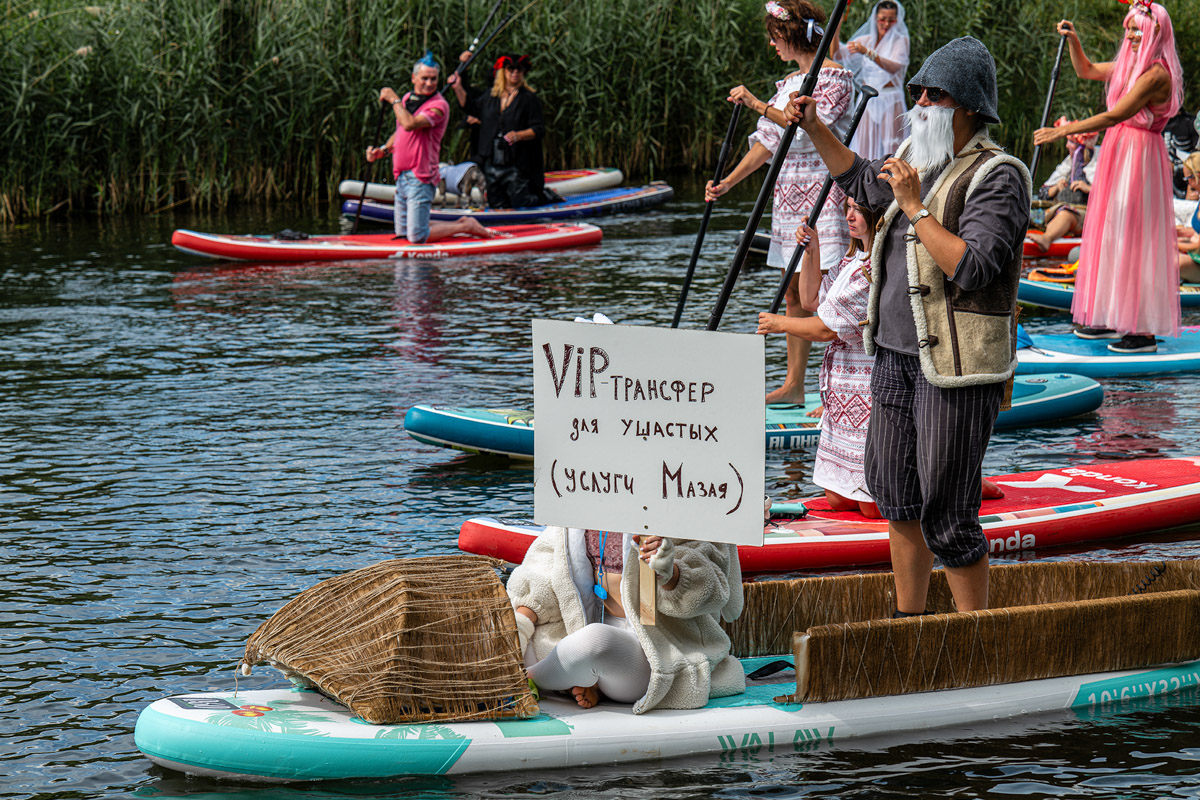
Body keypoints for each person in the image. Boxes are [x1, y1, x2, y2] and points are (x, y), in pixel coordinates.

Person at [787, 36, 1031, 615]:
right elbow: (861, 180)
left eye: (935, 94)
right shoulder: (916, 158)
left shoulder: (1000, 176)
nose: (920, 101)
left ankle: (977, 637)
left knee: (948, 512)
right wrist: (816, 126)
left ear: (968, 105)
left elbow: (971, 267)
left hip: (956, 367)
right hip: (893, 357)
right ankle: (910, 621)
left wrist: (916, 207)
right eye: (918, 90)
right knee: (896, 498)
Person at [706, 0, 854, 405]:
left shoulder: (838, 79)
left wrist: (756, 104)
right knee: (792, 293)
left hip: (823, 194)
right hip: (788, 195)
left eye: (774, 37)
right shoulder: (789, 83)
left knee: (824, 297)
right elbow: (768, 143)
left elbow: (804, 131)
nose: (772, 45)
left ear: (789, 35)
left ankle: (836, 389)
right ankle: (794, 385)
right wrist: (726, 183)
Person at [1033, 4, 1184, 354]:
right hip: (1120, 153)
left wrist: (1063, 131)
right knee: (1110, 231)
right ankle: (1108, 314)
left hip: (1140, 158)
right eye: (1128, 29)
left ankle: (1143, 329)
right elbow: (1085, 70)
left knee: (1135, 235)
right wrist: (1074, 41)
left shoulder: (1156, 75)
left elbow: (1116, 113)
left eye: (1138, 30)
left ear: (1157, 34)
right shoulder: (1130, 66)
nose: (1130, 36)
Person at [507, 528, 744, 712]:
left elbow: (713, 590)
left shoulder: (682, 495)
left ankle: (518, 682)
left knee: (594, 643)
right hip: (575, 634)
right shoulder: (581, 493)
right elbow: (543, 570)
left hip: (651, 651)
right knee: (512, 635)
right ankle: (576, 679)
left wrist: (671, 572)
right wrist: (520, 626)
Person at [757, 202, 880, 517]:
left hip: (866, 387)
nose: (848, 216)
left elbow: (826, 329)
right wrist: (813, 252)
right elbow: (812, 300)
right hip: (840, 393)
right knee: (838, 500)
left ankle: (962, 485)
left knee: (871, 507)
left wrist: (779, 323)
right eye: (848, 208)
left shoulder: (876, 269)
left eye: (858, 210)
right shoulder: (850, 262)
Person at [366, 53, 498, 242]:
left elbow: (410, 123)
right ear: (414, 78)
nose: (429, 83)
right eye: (424, 78)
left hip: (420, 176)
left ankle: (466, 226)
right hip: (401, 175)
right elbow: (400, 131)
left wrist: (393, 99)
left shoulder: (439, 106)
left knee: (416, 236)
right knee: (403, 233)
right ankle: (458, 224)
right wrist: (383, 150)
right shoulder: (407, 100)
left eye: (433, 79)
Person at [446, 53, 559, 209]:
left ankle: (546, 196)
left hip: (517, 163)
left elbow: (538, 129)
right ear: (503, 72)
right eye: (510, 69)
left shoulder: (528, 98)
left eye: (519, 70)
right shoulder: (490, 97)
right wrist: (457, 87)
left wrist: (518, 135)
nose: (515, 73)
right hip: (493, 162)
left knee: (521, 202)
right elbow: (470, 107)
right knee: (497, 203)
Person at [843, 0, 911, 160]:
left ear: (897, 20)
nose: (886, 24)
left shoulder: (900, 41)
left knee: (892, 147)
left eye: (891, 20)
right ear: (875, 18)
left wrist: (868, 53)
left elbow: (895, 67)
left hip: (890, 98)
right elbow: (839, 55)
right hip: (868, 99)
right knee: (863, 145)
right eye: (882, 19)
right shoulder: (866, 39)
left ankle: (891, 182)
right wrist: (836, 26)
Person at [1027, 118, 1100, 254]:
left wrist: (1089, 189)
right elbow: (1043, 193)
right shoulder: (1067, 165)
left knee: (1066, 213)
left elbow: (1112, 197)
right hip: (1055, 211)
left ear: (1081, 147)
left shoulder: (1098, 164)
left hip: (1084, 216)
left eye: (1071, 142)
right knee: (1025, 212)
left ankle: (1046, 239)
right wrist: (1054, 189)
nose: (1067, 146)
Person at [1178, 152, 1200, 284]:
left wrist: (1174, 244)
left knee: (1173, 261)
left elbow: (1198, 245)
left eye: (1188, 179)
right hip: (1195, 257)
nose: (1188, 184)